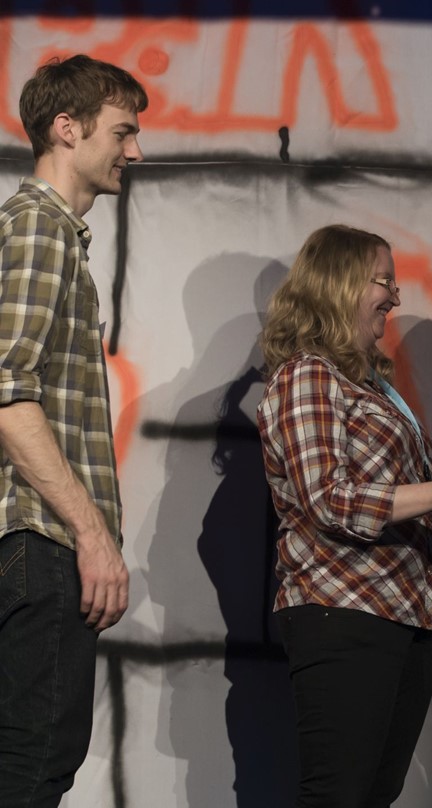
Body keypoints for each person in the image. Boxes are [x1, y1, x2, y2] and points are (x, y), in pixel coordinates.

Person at [257, 224, 432, 807]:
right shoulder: (308, 374)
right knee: (339, 796)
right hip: (343, 609)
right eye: (384, 282)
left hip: (404, 611)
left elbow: (392, 496)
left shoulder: (367, 383)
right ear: (341, 283)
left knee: (373, 796)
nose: (395, 298)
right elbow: (330, 499)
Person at [0, 55, 147, 806]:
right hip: (40, 539)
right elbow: (7, 392)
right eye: (123, 131)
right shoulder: (40, 230)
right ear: (67, 128)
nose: (135, 152)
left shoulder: (41, 232)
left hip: (33, 543)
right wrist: (91, 535)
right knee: (35, 767)